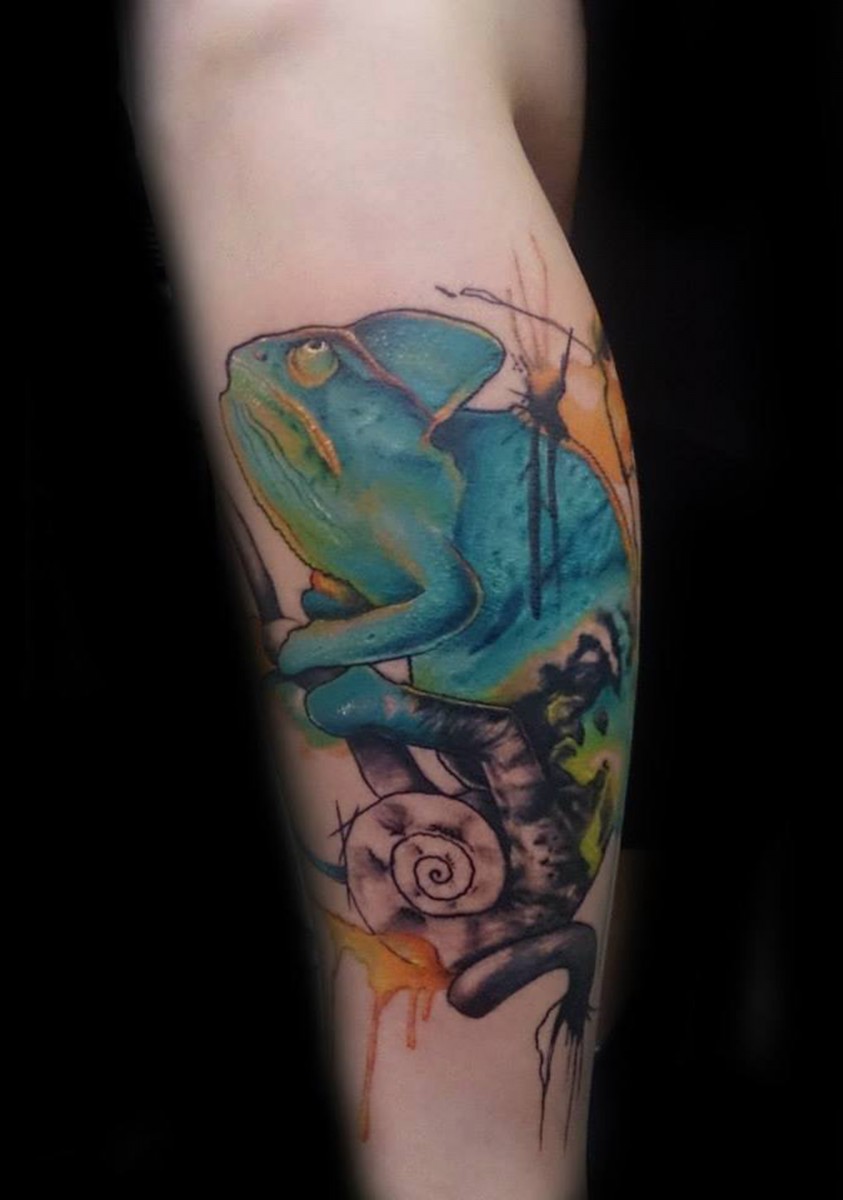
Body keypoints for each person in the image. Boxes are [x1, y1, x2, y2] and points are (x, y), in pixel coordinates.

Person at [126, 3, 639, 1196]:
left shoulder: (307, 59)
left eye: (323, 360)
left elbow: (443, 596)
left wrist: (324, 659)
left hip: (513, 698)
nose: (300, 363)